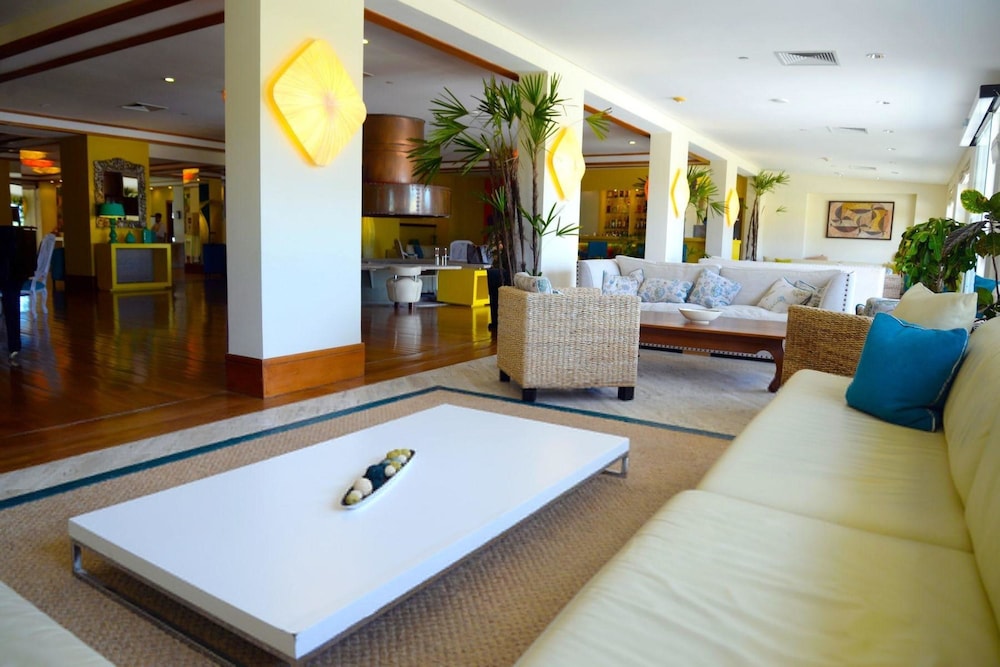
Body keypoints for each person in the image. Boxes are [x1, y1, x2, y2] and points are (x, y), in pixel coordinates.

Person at [0, 226, 36, 366]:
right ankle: (14, 346)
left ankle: (14, 346)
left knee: (10, 297)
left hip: (10, 271)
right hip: (11, 271)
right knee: (11, 299)